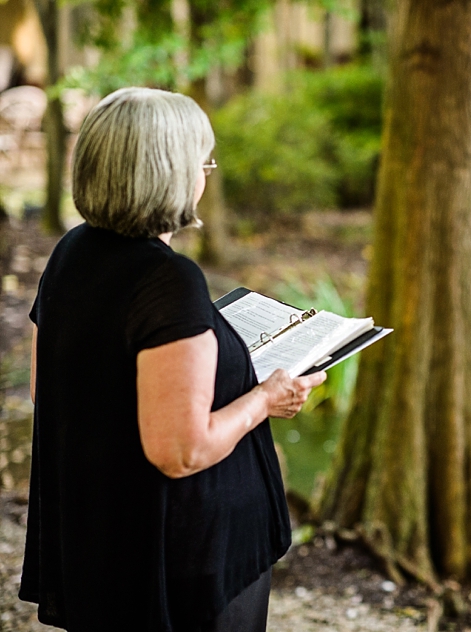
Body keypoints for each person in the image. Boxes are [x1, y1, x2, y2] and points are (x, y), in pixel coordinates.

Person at [20, 87, 326, 631]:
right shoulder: (168, 280)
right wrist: (265, 397)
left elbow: (53, 390)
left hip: (105, 535)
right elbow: (180, 452)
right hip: (178, 562)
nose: (206, 174)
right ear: (170, 171)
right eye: (202, 161)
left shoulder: (72, 252)